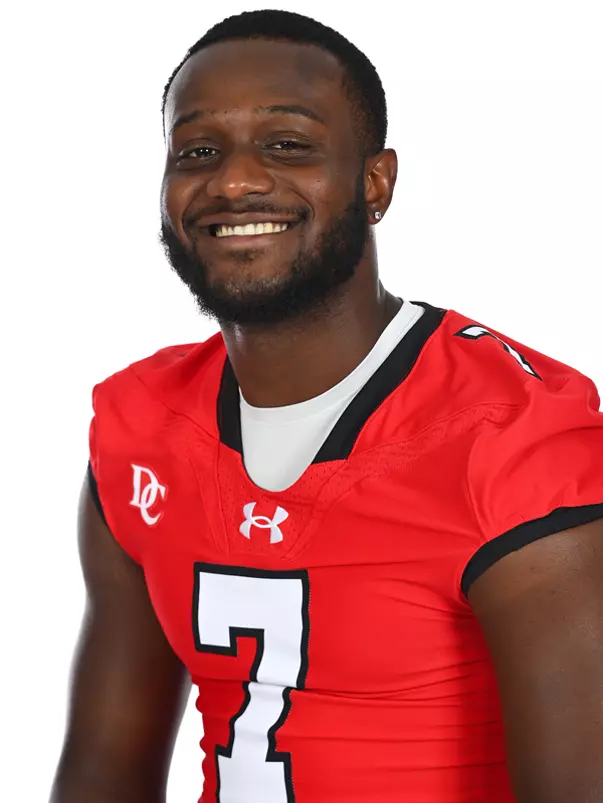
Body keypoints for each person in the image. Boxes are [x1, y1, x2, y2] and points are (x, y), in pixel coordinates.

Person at [49, 9, 603, 803]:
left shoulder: (515, 439)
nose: (234, 180)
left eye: (287, 145)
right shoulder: (140, 425)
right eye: (198, 151)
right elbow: (103, 770)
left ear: (374, 183)